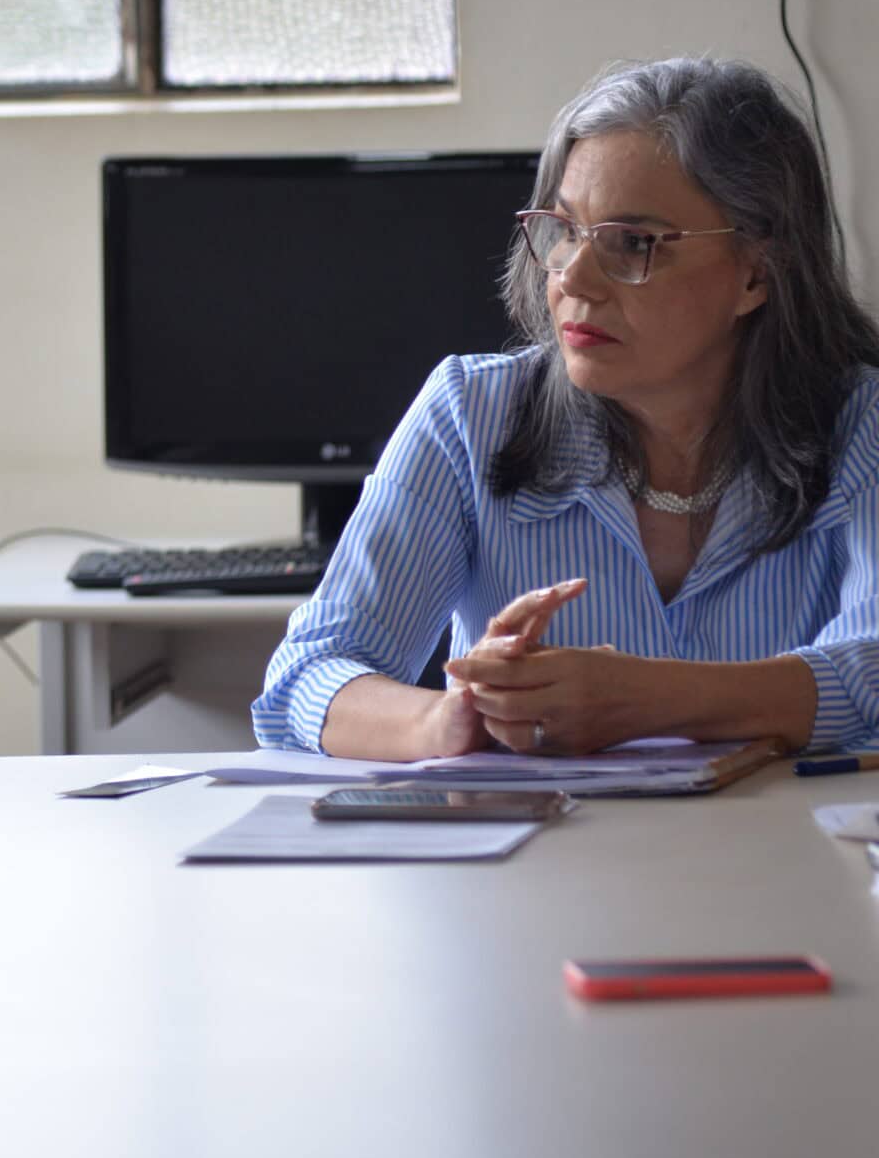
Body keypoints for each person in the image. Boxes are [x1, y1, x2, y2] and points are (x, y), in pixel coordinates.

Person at [254, 57, 879, 760]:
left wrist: (652, 699)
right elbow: (306, 675)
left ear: (756, 273)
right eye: (566, 230)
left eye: (633, 243)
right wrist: (452, 719)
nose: (572, 277)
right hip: (537, 865)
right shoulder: (470, 413)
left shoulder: (862, 422)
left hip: (790, 865)